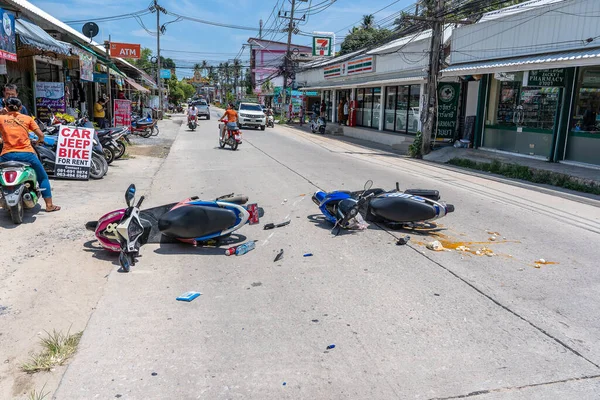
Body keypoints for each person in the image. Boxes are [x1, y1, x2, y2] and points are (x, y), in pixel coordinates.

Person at [0, 98, 60, 212]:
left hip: (6, 155)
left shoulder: (1, 118)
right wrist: (39, 141)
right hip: (26, 154)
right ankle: (49, 205)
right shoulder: (27, 119)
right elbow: (41, 135)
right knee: (43, 177)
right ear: (21, 107)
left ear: (6, 107)